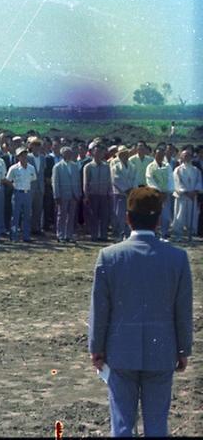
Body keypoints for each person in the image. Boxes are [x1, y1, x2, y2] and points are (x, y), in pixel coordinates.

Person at [88, 187, 193, 437]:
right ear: (159, 220)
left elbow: (99, 309)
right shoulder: (177, 257)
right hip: (161, 351)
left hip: (120, 351)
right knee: (157, 426)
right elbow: (183, 310)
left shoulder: (109, 256)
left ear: (127, 218)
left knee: (122, 425)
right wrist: (183, 349)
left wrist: (96, 348)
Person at [83, 143, 113, 242]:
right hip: (93, 194)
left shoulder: (107, 166)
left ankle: (103, 235)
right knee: (93, 216)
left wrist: (109, 193)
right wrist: (86, 195)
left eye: (101, 152)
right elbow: (86, 182)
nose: (99, 154)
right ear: (92, 153)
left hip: (104, 194)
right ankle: (94, 235)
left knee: (104, 216)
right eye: (96, 152)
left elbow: (109, 181)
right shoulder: (88, 166)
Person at [6, 147, 36, 242]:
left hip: (27, 193)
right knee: (15, 216)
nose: (24, 157)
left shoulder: (31, 168)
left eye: (25, 155)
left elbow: (33, 178)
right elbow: (8, 180)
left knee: (27, 216)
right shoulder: (13, 168)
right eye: (21, 155)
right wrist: (14, 186)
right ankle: (14, 236)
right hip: (18, 193)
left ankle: (26, 236)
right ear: (18, 157)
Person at [52, 146, 81, 243]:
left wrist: (78, 193)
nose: (68, 154)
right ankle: (60, 235)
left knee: (71, 216)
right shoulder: (57, 166)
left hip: (73, 194)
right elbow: (55, 182)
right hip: (63, 195)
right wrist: (56, 195)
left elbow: (78, 180)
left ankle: (68, 235)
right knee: (62, 215)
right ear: (62, 154)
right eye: (66, 153)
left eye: (70, 153)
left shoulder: (75, 166)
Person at [145, 146, 175, 239]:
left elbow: (171, 179)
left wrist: (167, 191)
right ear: (154, 154)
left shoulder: (167, 166)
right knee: (154, 214)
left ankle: (164, 233)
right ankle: (154, 232)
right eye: (158, 154)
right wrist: (158, 192)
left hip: (166, 195)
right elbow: (150, 179)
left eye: (162, 154)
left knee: (165, 216)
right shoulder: (150, 166)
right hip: (155, 195)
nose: (160, 156)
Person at [172, 147, 201, 240]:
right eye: (185, 156)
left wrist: (195, 191)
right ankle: (178, 234)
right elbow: (177, 182)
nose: (187, 157)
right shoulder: (178, 170)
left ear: (191, 157)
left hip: (193, 196)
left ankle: (190, 234)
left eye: (188, 156)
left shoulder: (196, 170)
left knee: (192, 216)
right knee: (180, 215)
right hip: (182, 196)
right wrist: (185, 192)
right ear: (181, 157)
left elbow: (199, 182)